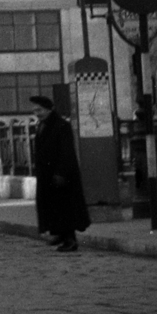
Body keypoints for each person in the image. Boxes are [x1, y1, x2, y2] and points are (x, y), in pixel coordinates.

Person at [30, 94, 91, 252]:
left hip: (60, 175)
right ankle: (60, 236)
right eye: (35, 110)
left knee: (65, 208)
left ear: (49, 109)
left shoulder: (61, 125)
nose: (37, 113)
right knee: (54, 208)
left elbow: (66, 152)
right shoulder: (43, 125)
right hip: (48, 176)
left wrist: (61, 173)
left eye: (40, 110)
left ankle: (69, 240)